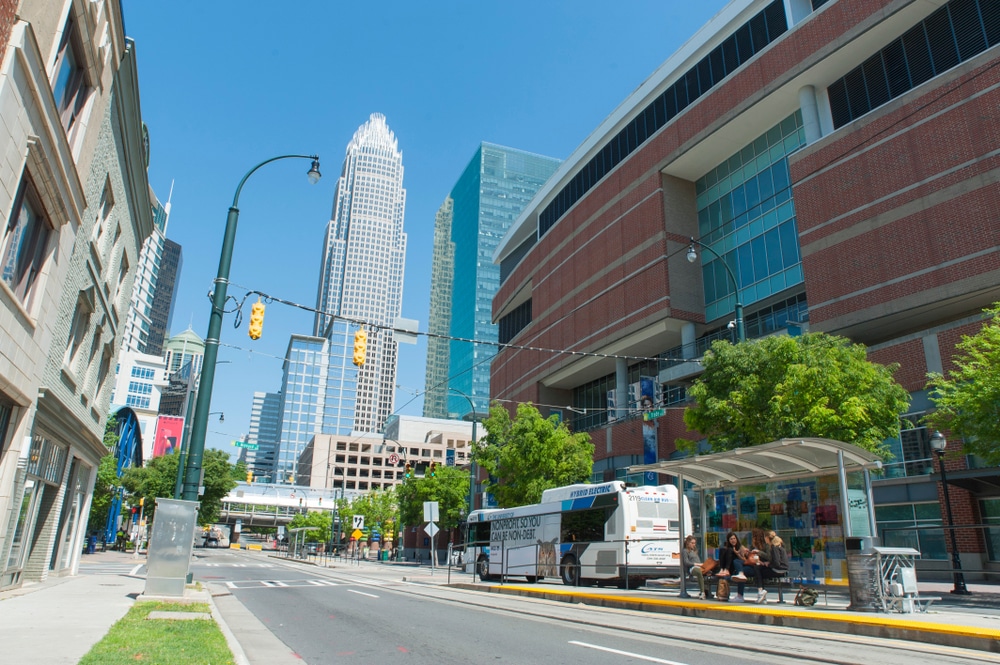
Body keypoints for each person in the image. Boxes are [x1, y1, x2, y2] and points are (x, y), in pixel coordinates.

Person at [751, 531, 789, 603]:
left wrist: (768, 564)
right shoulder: (779, 545)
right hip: (782, 568)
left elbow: (777, 563)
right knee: (759, 569)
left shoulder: (774, 547)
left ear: (767, 538)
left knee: (758, 570)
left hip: (779, 570)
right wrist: (767, 563)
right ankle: (762, 593)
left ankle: (761, 592)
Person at [718, 531, 749, 602]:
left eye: (734, 538)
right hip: (731, 567)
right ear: (728, 540)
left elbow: (745, 560)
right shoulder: (728, 548)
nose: (733, 540)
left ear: (737, 539)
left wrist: (737, 553)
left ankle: (726, 569)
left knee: (730, 550)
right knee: (723, 550)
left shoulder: (741, 547)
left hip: (738, 567)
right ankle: (723, 569)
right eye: (731, 539)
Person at [682, 535, 714, 599]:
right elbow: (686, 562)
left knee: (710, 571)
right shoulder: (685, 551)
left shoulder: (694, 551)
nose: (694, 545)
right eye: (692, 543)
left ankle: (707, 591)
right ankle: (702, 592)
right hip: (692, 568)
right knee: (699, 572)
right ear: (688, 543)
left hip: (699, 566)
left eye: (694, 543)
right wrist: (696, 564)